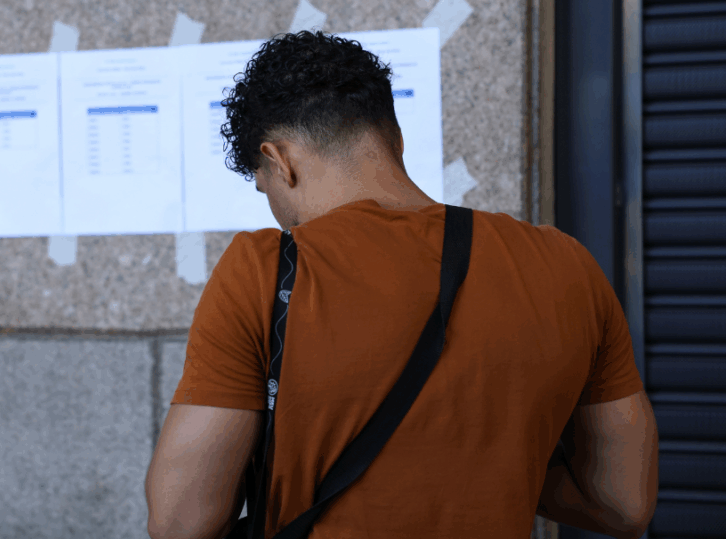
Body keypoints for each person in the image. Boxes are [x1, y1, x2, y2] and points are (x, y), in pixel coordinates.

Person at [144, 31, 658, 539]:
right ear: (395, 138)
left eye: (266, 187)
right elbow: (624, 503)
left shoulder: (262, 269)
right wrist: (501, 462)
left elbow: (181, 520)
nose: (276, 211)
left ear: (279, 161)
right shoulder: (565, 265)